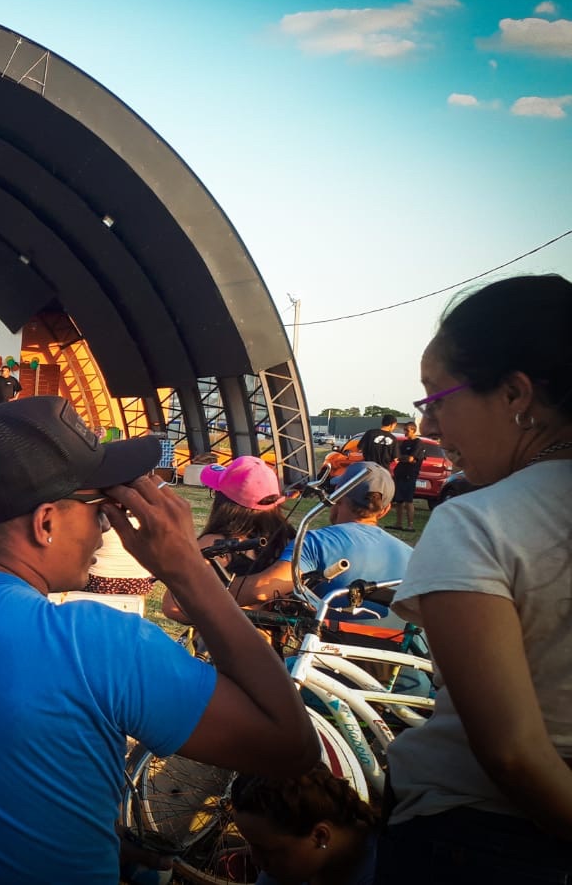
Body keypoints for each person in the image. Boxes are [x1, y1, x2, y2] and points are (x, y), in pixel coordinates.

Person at [0, 396, 317, 884]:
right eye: (100, 512)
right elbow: (291, 748)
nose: (106, 533)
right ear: (45, 523)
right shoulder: (100, 646)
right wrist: (187, 568)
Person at [377, 274, 572, 882]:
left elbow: (513, 753)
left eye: (437, 397)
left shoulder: (477, 521)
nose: (430, 426)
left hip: (477, 840)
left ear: (516, 394)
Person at [221, 464, 410, 624]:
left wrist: (202, 593)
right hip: (396, 662)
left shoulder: (316, 541)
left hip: (325, 659)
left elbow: (261, 590)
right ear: (385, 510)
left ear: (336, 496)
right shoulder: (412, 555)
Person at [161, 455, 298, 624]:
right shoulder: (291, 541)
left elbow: (173, 607)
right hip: (273, 646)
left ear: (224, 503)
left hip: (222, 642)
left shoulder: (215, 543)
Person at [231, 765, 378, 885]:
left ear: (320, 836)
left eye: (264, 849)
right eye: (251, 845)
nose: (254, 860)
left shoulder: (384, 873)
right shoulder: (293, 861)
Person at [391, 421, 422, 530]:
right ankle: (398, 523)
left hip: (410, 474)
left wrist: (403, 458)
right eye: (404, 430)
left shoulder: (418, 443)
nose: (405, 432)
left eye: (407, 430)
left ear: (413, 430)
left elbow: (411, 459)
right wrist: (403, 458)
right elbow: (398, 457)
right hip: (400, 474)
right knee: (398, 501)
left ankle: (410, 525)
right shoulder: (404, 443)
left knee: (408, 500)